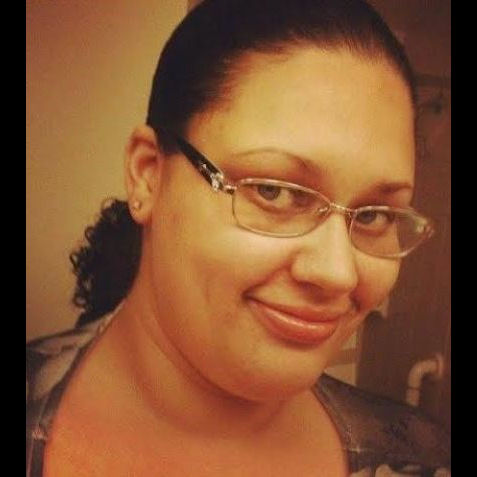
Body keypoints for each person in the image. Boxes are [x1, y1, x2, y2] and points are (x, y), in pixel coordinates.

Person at [26, 0, 451, 475]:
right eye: (274, 191)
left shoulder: (422, 458)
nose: (338, 273)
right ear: (148, 175)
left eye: (374, 215)